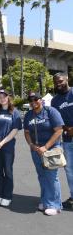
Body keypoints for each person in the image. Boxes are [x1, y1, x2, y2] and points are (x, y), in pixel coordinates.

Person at [24, 92, 64, 215]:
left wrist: (46, 147)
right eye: (31, 100)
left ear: (41, 100)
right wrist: (31, 145)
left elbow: (59, 131)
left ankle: (55, 205)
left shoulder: (51, 111)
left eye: (36, 99)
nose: (33, 102)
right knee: (42, 176)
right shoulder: (28, 114)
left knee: (51, 177)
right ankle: (45, 200)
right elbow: (26, 132)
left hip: (51, 149)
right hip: (36, 150)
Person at [0, 88, 22, 207]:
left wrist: (1, 142)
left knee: (7, 171)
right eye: (0, 97)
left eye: (4, 96)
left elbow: (15, 130)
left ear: (8, 97)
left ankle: (7, 195)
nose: (2, 99)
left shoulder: (14, 112)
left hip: (7, 146)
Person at [51, 72, 73, 210]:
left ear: (67, 79)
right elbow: (56, 120)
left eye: (60, 81)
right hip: (67, 140)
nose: (58, 84)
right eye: (55, 82)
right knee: (70, 170)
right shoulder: (55, 101)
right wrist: (67, 128)